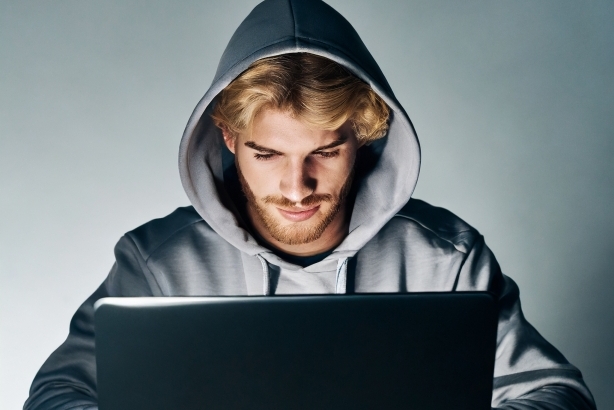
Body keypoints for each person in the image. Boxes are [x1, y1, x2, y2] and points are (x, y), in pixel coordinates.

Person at [24, 0, 596, 409]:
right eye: (268, 153)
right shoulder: (155, 263)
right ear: (227, 137)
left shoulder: (447, 260)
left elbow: (557, 393)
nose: (298, 188)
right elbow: (57, 393)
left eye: (325, 150)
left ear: (364, 134)